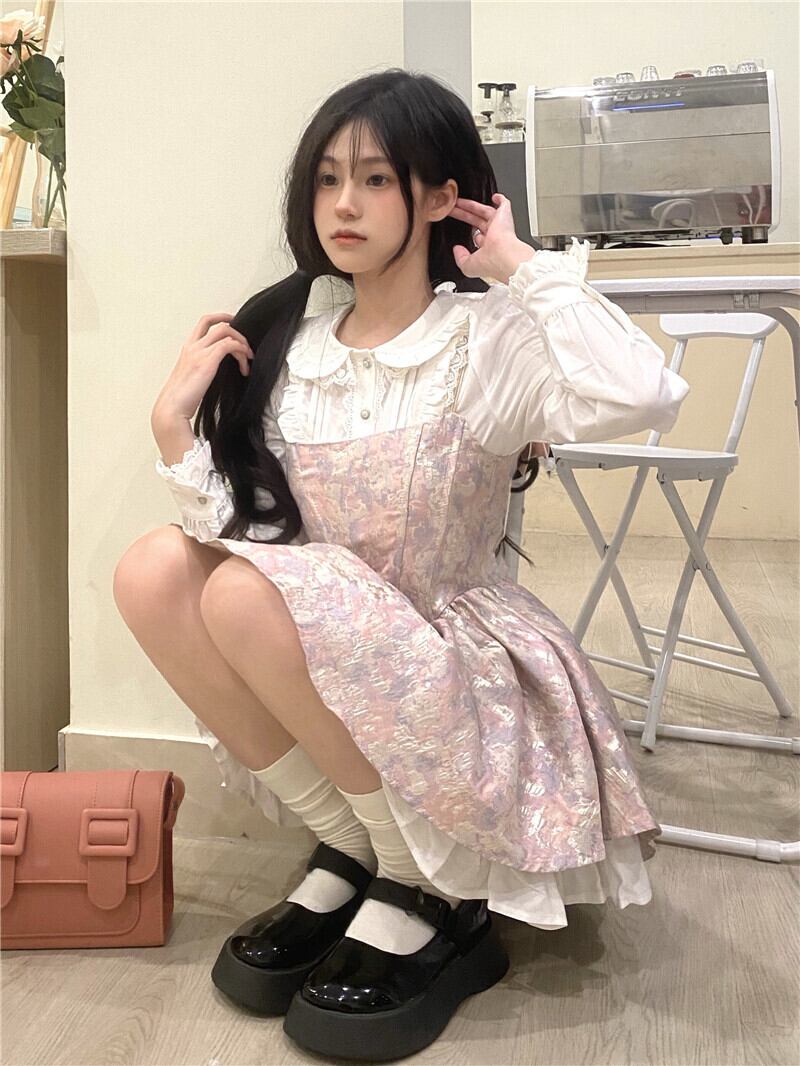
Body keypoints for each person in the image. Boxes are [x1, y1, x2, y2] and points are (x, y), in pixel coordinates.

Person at [113, 68, 690, 1061]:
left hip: (450, 661)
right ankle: (359, 847)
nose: (343, 203)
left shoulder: (483, 338)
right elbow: (257, 538)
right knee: (155, 570)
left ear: (436, 198)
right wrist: (175, 428)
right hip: (332, 648)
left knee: (246, 591)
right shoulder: (296, 343)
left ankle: (427, 882)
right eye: (328, 178)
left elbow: (644, 395)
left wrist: (521, 267)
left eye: (376, 179)